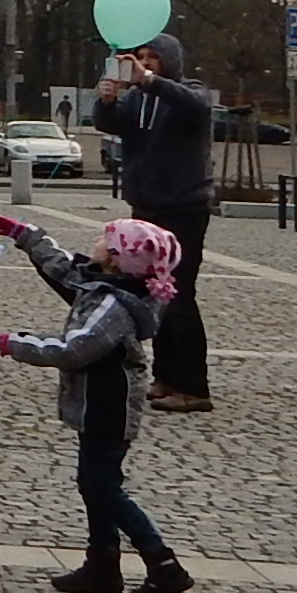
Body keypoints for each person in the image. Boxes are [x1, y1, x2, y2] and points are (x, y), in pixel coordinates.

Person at [0, 213, 194, 593]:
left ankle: (162, 562)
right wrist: (27, 237)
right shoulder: (110, 285)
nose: (96, 244)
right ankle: (102, 563)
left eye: (105, 241)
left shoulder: (114, 305)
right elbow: (67, 272)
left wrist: (18, 344)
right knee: (94, 483)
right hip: (100, 403)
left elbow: (75, 348)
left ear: (118, 259)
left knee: (103, 486)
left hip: (109, 405)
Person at [91, 36, 216, 413]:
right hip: (146, 205)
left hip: (184, 206)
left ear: (169, 62)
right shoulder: (136, 99)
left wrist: (148, 80)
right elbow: (111, 124)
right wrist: (107, 100)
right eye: (140, 58)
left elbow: (195, 107)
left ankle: (193, 386)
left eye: (152, 58)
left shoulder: (188, 92)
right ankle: (166, 377)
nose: (144, 64)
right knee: (155, 296)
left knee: (178, 295)